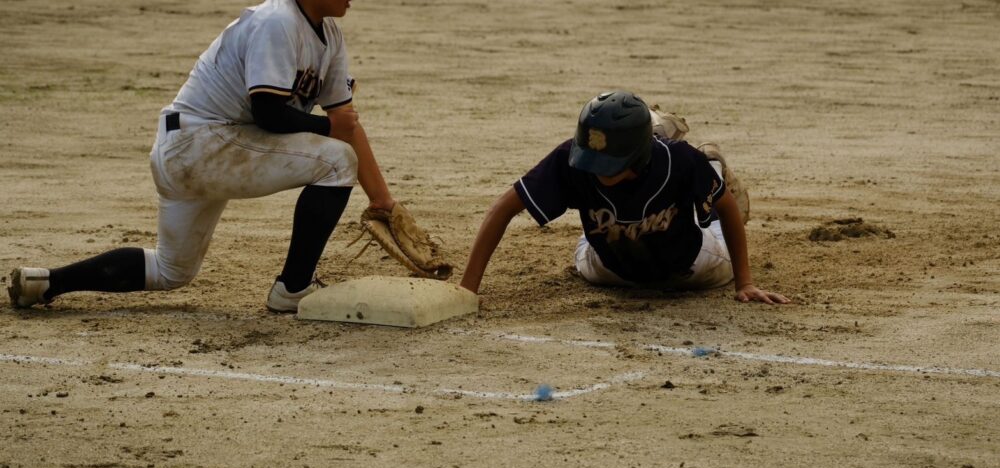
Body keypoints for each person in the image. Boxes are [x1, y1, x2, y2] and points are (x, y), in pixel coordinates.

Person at [8, 0, 401, 313]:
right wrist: (326, 130)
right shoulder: (277, 20)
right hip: (202, 144)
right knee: (335, 161)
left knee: (170, 270)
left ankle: (46, 282)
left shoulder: (329, 35)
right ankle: (293, 288)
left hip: (200, 149)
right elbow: (268, 111)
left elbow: (344, 123)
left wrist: (382, 199)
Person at [460, 90, 790, 305]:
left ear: (637, 157)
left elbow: (727, 207)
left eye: (606, 164)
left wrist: (744, 282)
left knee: (715, 217)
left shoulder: (680, 161)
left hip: (694, 270)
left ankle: (713, 170)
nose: (594, 170)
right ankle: (654, 126)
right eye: (589, 160)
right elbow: (503, 209)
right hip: (606, 270)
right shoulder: (571, 159)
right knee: (601, 231)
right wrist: (467, 290)